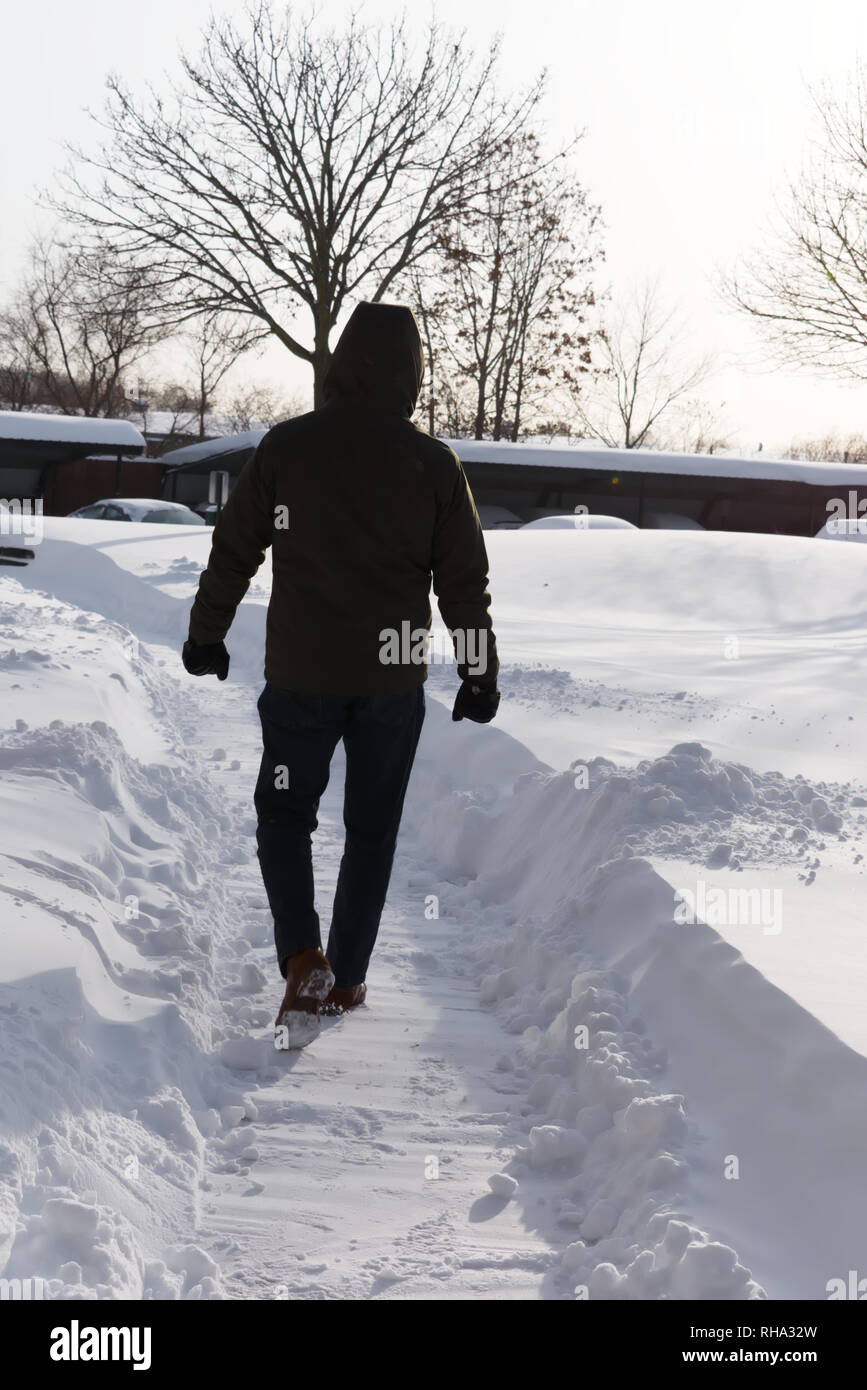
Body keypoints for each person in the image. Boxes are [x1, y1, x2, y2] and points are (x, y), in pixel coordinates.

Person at [182, 301, 499, 1048]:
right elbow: (463, 584)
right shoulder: (431, 464)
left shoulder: (288, 448)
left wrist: (206, 635)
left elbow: (235, 548)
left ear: (339, 367)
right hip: (391, 680)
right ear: (410, 375)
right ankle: (347, 978)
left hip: (302, 676)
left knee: (286, 815)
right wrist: (478, 675)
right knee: (372, 826)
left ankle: (302, 956)